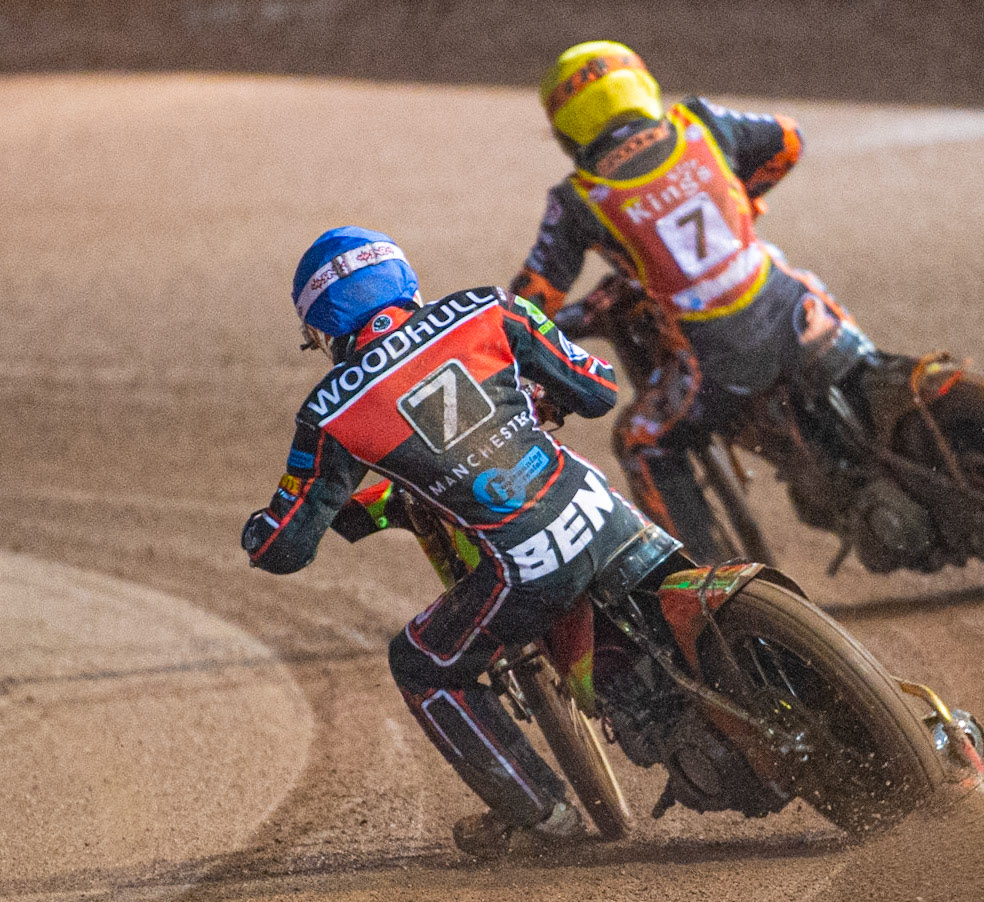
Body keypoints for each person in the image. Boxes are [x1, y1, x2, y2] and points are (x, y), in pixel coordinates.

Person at [241, 226, 653, 858]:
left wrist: (259, 532)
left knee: (420, 663)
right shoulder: (490, 306)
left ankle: (544, 816)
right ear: (402, 280)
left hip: (528, 566)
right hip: (607, 510)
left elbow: (285, 548)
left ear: (323, 328)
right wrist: (531, 397)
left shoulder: (329, 411)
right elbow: (598, 390)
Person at [510, 40, 876, 561]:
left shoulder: (580, 197)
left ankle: (703, 579)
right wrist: (734, 197)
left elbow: (535, 297)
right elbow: (788, 139)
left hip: (722, 364)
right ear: (639, 85)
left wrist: (498, 335)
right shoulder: (699, 122)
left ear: (567, 128)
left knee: (640, 438)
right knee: (839, 330)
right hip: (803, 312)